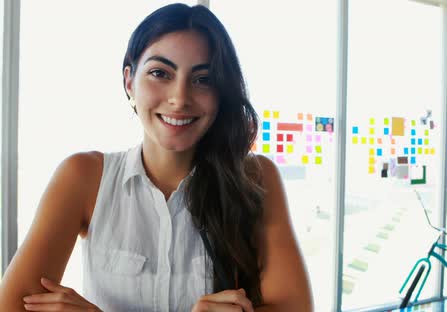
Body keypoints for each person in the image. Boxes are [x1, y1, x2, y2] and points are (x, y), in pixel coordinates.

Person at [0, 4, 313, 311]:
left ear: (221, 94)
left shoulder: (254, 177)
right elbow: (13, 304)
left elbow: (296, 307)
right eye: (160, 73)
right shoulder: (83, 176)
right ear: (129, 82)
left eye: (203, 79)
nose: (179, 98)